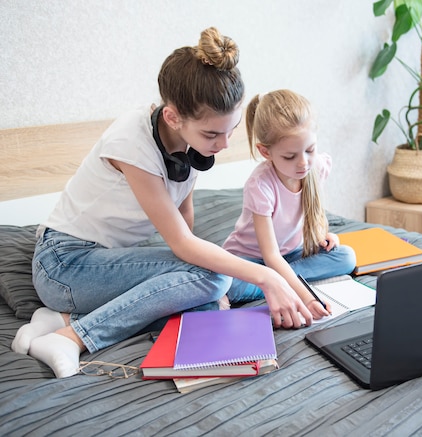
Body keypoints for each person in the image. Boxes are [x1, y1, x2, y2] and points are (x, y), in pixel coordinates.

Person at [11, 27, 312, 379]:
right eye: (213, 134)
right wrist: (268, 278)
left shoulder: (190, 142)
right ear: (172, 117)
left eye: (229, 131)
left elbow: (185, 221)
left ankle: (61, 319)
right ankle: (73, 336)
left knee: (208, 294)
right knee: (215, 278)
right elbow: (181, 243)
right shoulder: (132, 143)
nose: (223, 144)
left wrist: (191, 284)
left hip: (104, 267)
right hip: (63, 265)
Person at [222, 90, 356, 320]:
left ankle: (279, 281)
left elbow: (311, 211)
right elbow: (270, 256)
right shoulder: (260, 186)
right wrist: (308, 297)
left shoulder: (318, 167)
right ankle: (276, 281)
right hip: (252, 259)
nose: (303, 162)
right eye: (290, 156)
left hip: (290, 255)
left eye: (310, 150)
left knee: (346, 257)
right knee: (228, 284)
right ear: (266, 152)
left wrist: (323, 234)